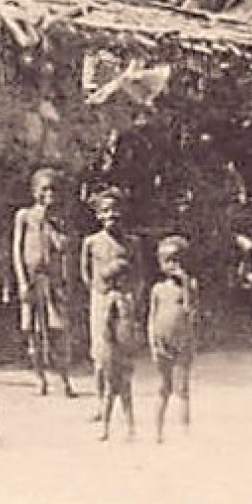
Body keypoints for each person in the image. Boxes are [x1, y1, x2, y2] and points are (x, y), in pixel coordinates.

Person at [12, 167, 78, 398]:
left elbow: (66, 250)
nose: (49, 194)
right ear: (34, 192)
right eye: (44, 189)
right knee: (32, 331)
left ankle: (63, 379)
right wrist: (21, 281)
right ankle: (39, 378)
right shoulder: (24, 216)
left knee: (58, 330)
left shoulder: (60, 221)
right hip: (31, 280)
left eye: (54, 190)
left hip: (54, 282)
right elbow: (17, 250)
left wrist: (53, 228)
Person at [81, 187, 141, 440]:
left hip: (124, 300)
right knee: (101, 355)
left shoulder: (132, 242)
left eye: (115, 210)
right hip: (101, 299)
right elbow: (85, 272)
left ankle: (127, 417)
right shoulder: (91, 242)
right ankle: (99, 401)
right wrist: (99, 292)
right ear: (97, 215)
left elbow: (139, 275)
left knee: (123, 354)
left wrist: (131, 298)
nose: (111, 215)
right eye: (105, 211)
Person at [147, 236, 198, 444]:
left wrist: (185, 283)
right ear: (160, 263)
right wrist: (152, 342)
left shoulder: (191, 286)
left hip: (183, 342)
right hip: (162, 343)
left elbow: (190, 310)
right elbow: (151, 317)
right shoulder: (158, 289)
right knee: (163, 388)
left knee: (182, 389)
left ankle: (184, 432)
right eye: (168, 260)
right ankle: (157, 432)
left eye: (178, 260)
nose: (173, 265)